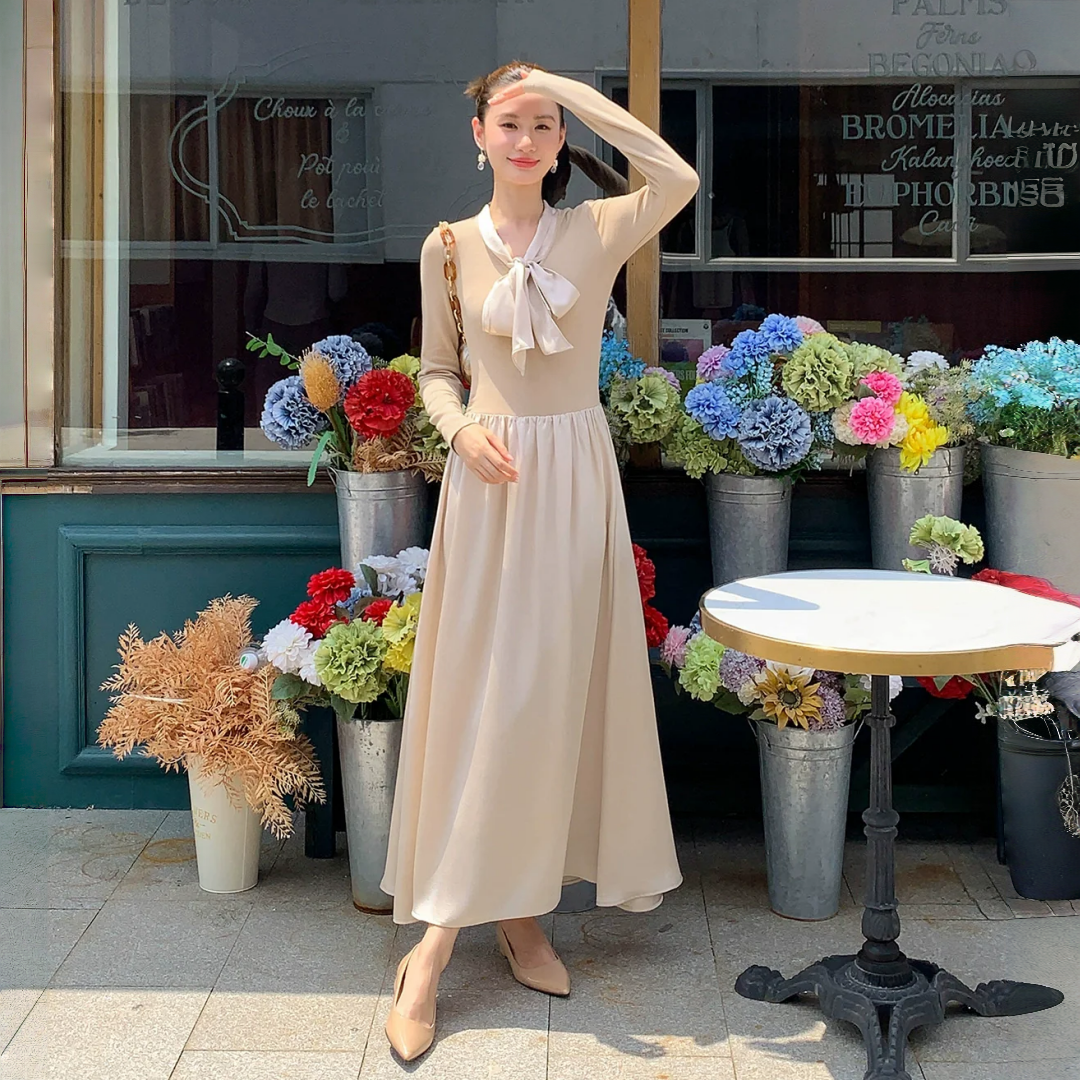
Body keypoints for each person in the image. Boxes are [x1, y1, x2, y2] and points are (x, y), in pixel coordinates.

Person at [380, 61, 700, 1062]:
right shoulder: (446, 247)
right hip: (491, 487)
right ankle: (436, 947)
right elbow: (437, 371)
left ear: (562, 140)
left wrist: (568, 85)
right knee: (487, 701)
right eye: (511, 122)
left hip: (574, 483)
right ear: (478, 134)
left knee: (549, 700)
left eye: (546, 125)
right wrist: (458, 430)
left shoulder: (595, 230)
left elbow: (677, 177)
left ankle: (517, 912)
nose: (528, 140)